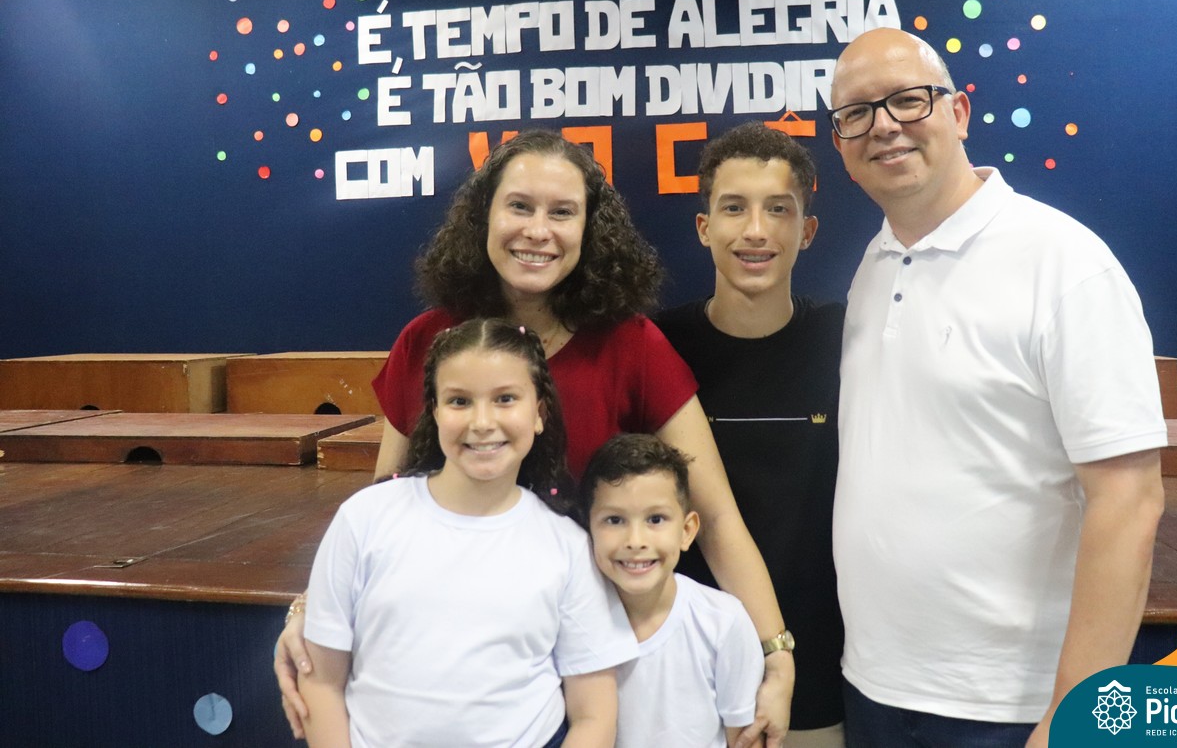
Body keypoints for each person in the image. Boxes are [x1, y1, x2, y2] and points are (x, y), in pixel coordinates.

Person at [277, 129, 794, 746]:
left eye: (562, 212)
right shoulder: (427, 342)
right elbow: (384, 508)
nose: (538, 231)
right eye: (519, 206)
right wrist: (311, 611)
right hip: (449, 663)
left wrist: (776, 653)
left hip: (594, 667)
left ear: (590, 228)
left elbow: (715, 516)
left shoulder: (632, 345)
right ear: (484, 216)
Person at [828, 27, 1167, 748]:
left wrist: (1074, 714)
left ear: (958, 113)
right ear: (840, 144)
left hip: (1015, 707)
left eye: (907, 100)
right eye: (856, 113)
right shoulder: (874, 266)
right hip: (874, 686)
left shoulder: (1065, 264)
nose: (883, 125)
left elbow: (1130, 500)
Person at [298, 319, 636, 748]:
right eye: (459, 401)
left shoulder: (567, 546)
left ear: (539, 413)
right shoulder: (365, 518)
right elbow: (322, 683)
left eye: (505, 399)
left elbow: (594, 715)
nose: (482, 422)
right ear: (434, 411)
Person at [653, 122, 845, 748]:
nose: (756, 230)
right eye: (733, 208)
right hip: (683, 675)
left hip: (820, 670)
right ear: (704, 227)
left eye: (778, 210)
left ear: (807, 231)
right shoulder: (656, 347)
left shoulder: (850, 338)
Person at [580, 433, 764, 748]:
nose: (635, 541)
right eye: (614, 520)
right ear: (588, 529)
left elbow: (743, 739)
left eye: (655, 519)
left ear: (687, 530)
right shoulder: (577, 622)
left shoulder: (724, 622)